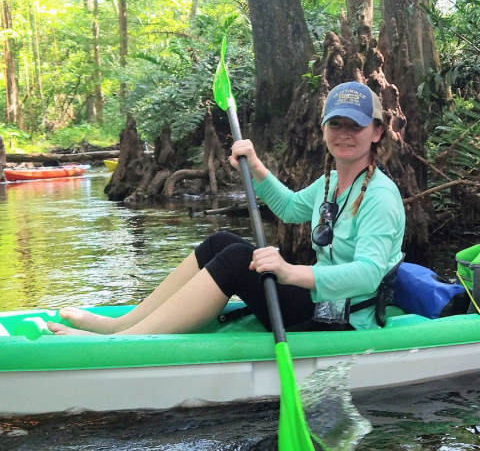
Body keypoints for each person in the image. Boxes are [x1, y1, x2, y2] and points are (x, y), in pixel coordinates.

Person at [47, 81, 405, 336]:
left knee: (237, 260)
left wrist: (288, 272)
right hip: (321, 302)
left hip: (343, 319)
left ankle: (124, 344)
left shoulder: (379, 196)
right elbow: (292, 208)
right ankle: (122, 324)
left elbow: (368, 274)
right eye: (336, 123)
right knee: (221, 241)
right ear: (324, 129)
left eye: (355, 126)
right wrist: (257, 167)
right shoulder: (332, 182)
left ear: (375, 133)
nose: (344, 133)